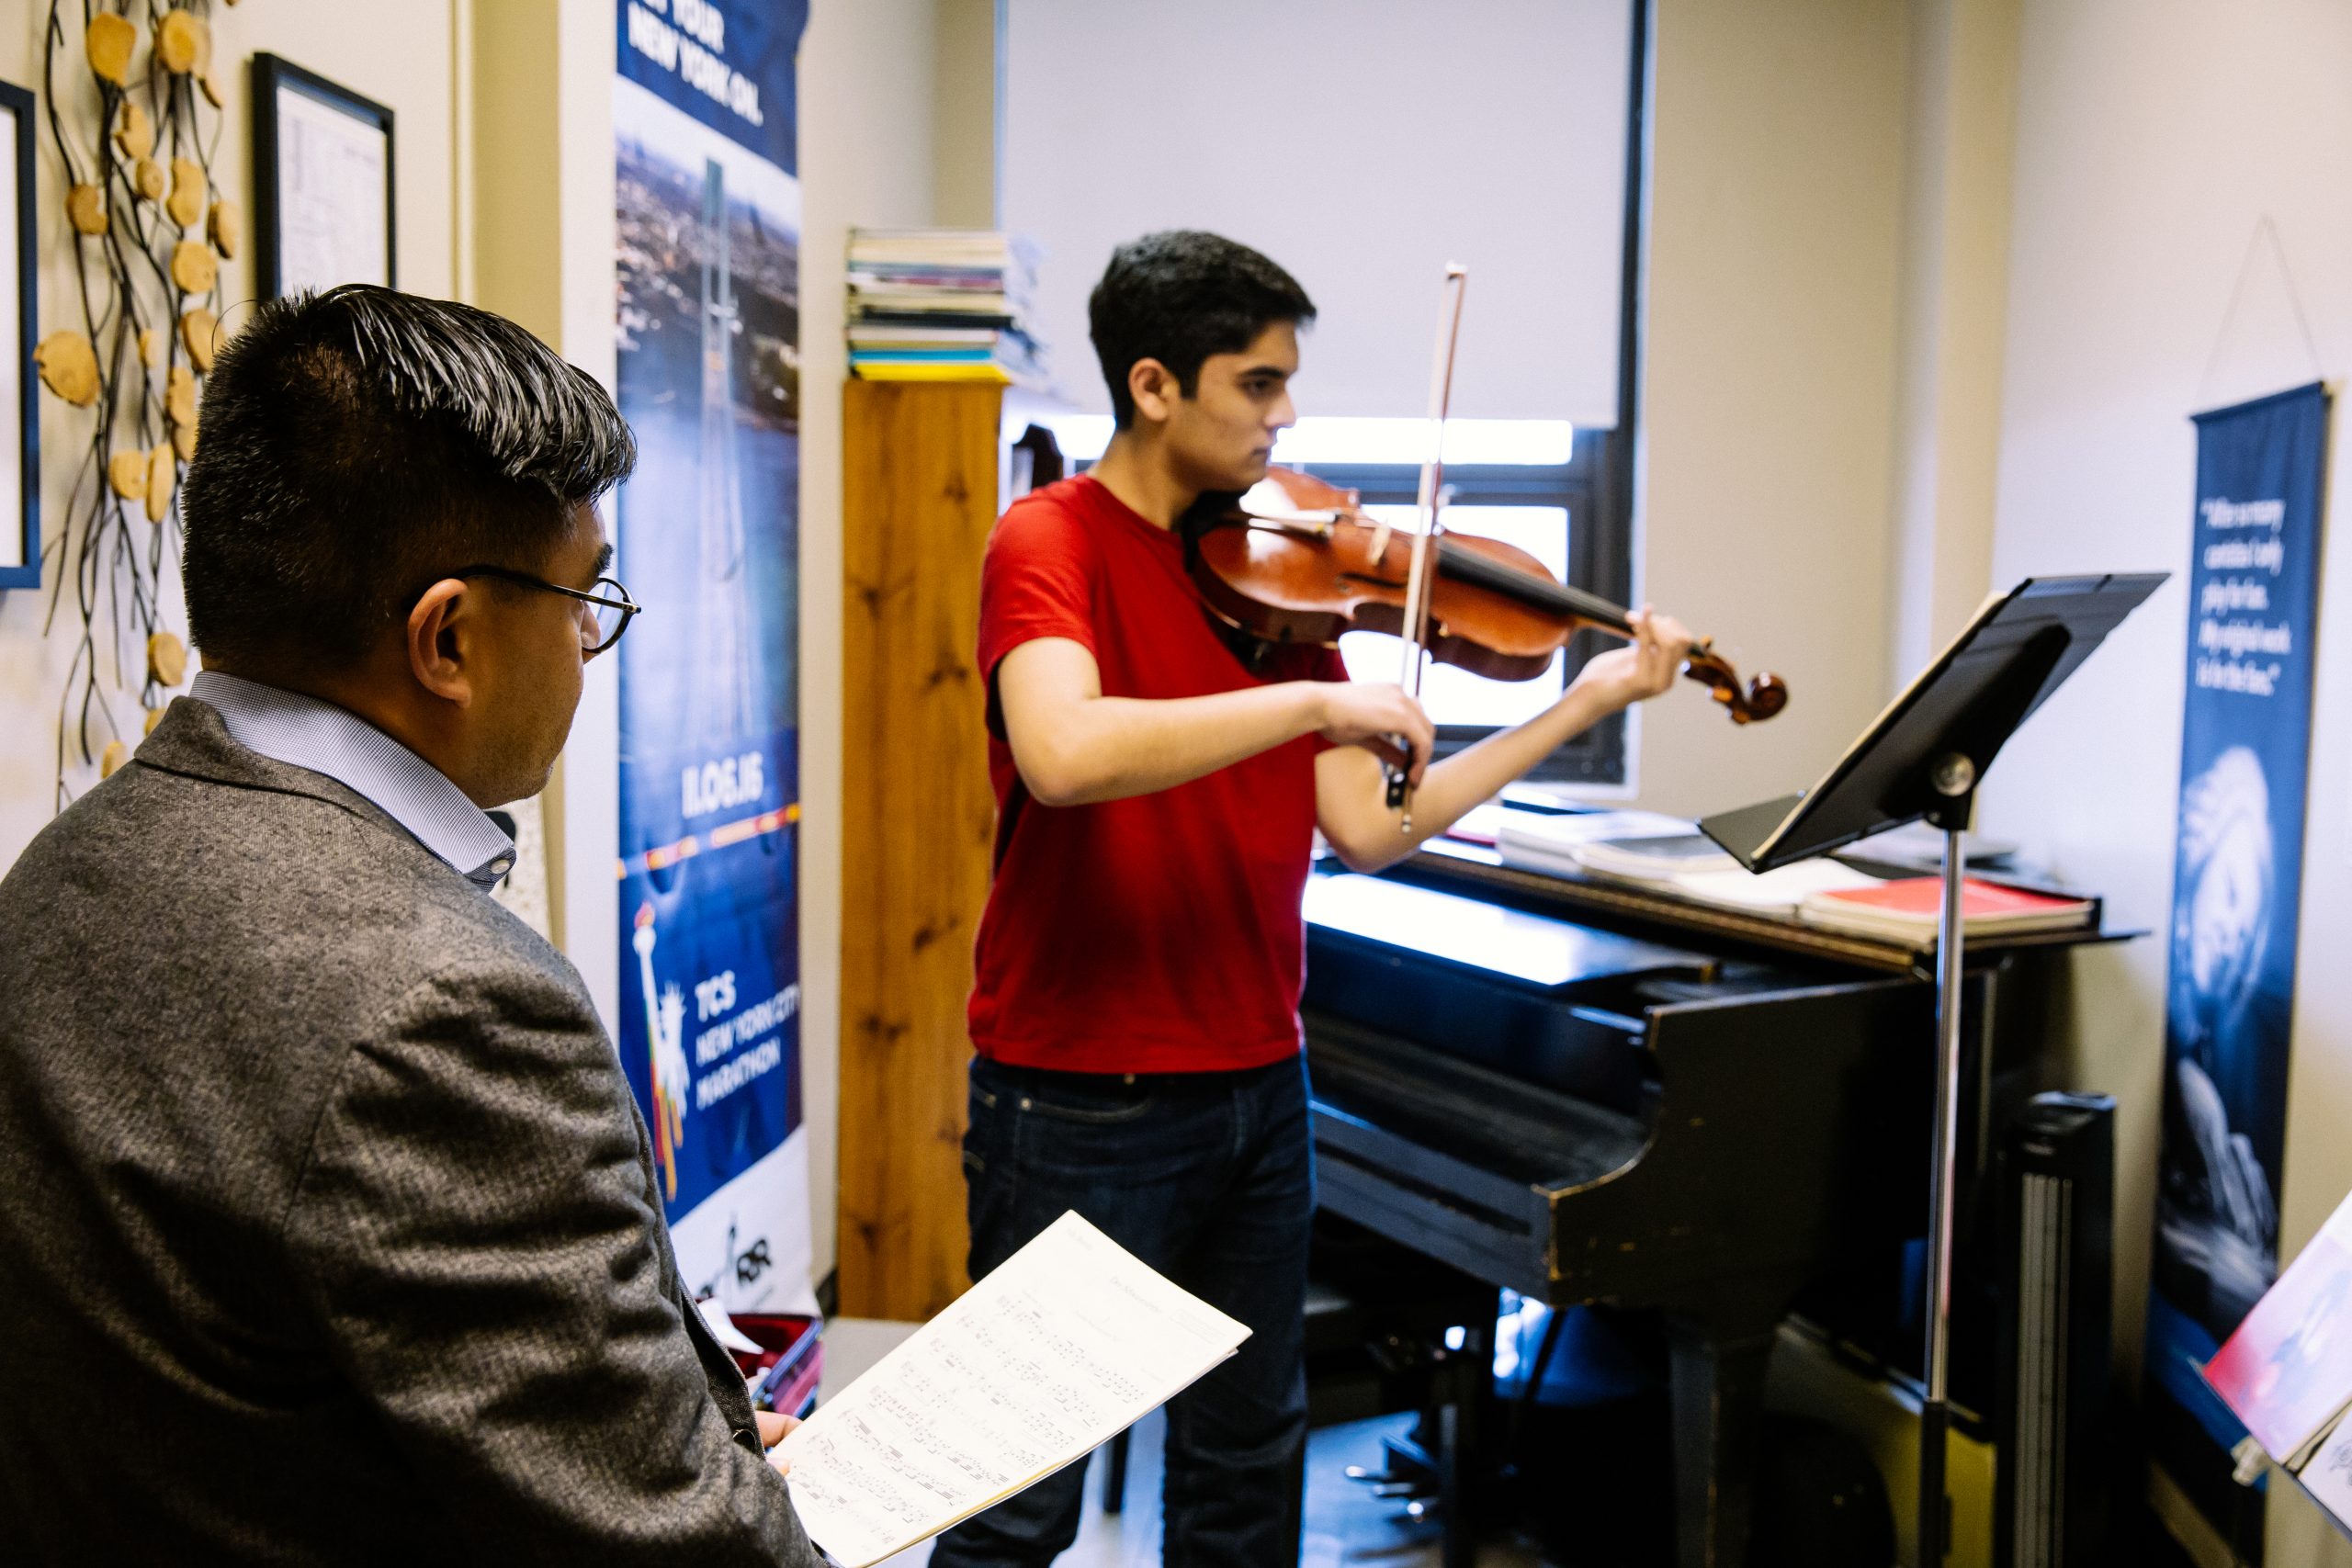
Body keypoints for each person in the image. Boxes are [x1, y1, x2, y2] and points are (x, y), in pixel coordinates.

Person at [0, 286, 817, 1564]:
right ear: (449, 638)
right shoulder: (448, 1007)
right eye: (584, 601)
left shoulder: (59, 871)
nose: (590, 648)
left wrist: (662, 1431)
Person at [934, 230, 1694, 1568]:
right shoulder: (1045, 541)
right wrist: (1310, 697)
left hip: (1257, 1086)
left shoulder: (1281, 578)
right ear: (1157, 384)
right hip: (1079, 1096)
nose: (1285, 414)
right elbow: (1061, 754)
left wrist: (1582, 701)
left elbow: (1371, 825)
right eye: (1258, 383)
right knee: (1018, 1500)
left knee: (1246, 1471)